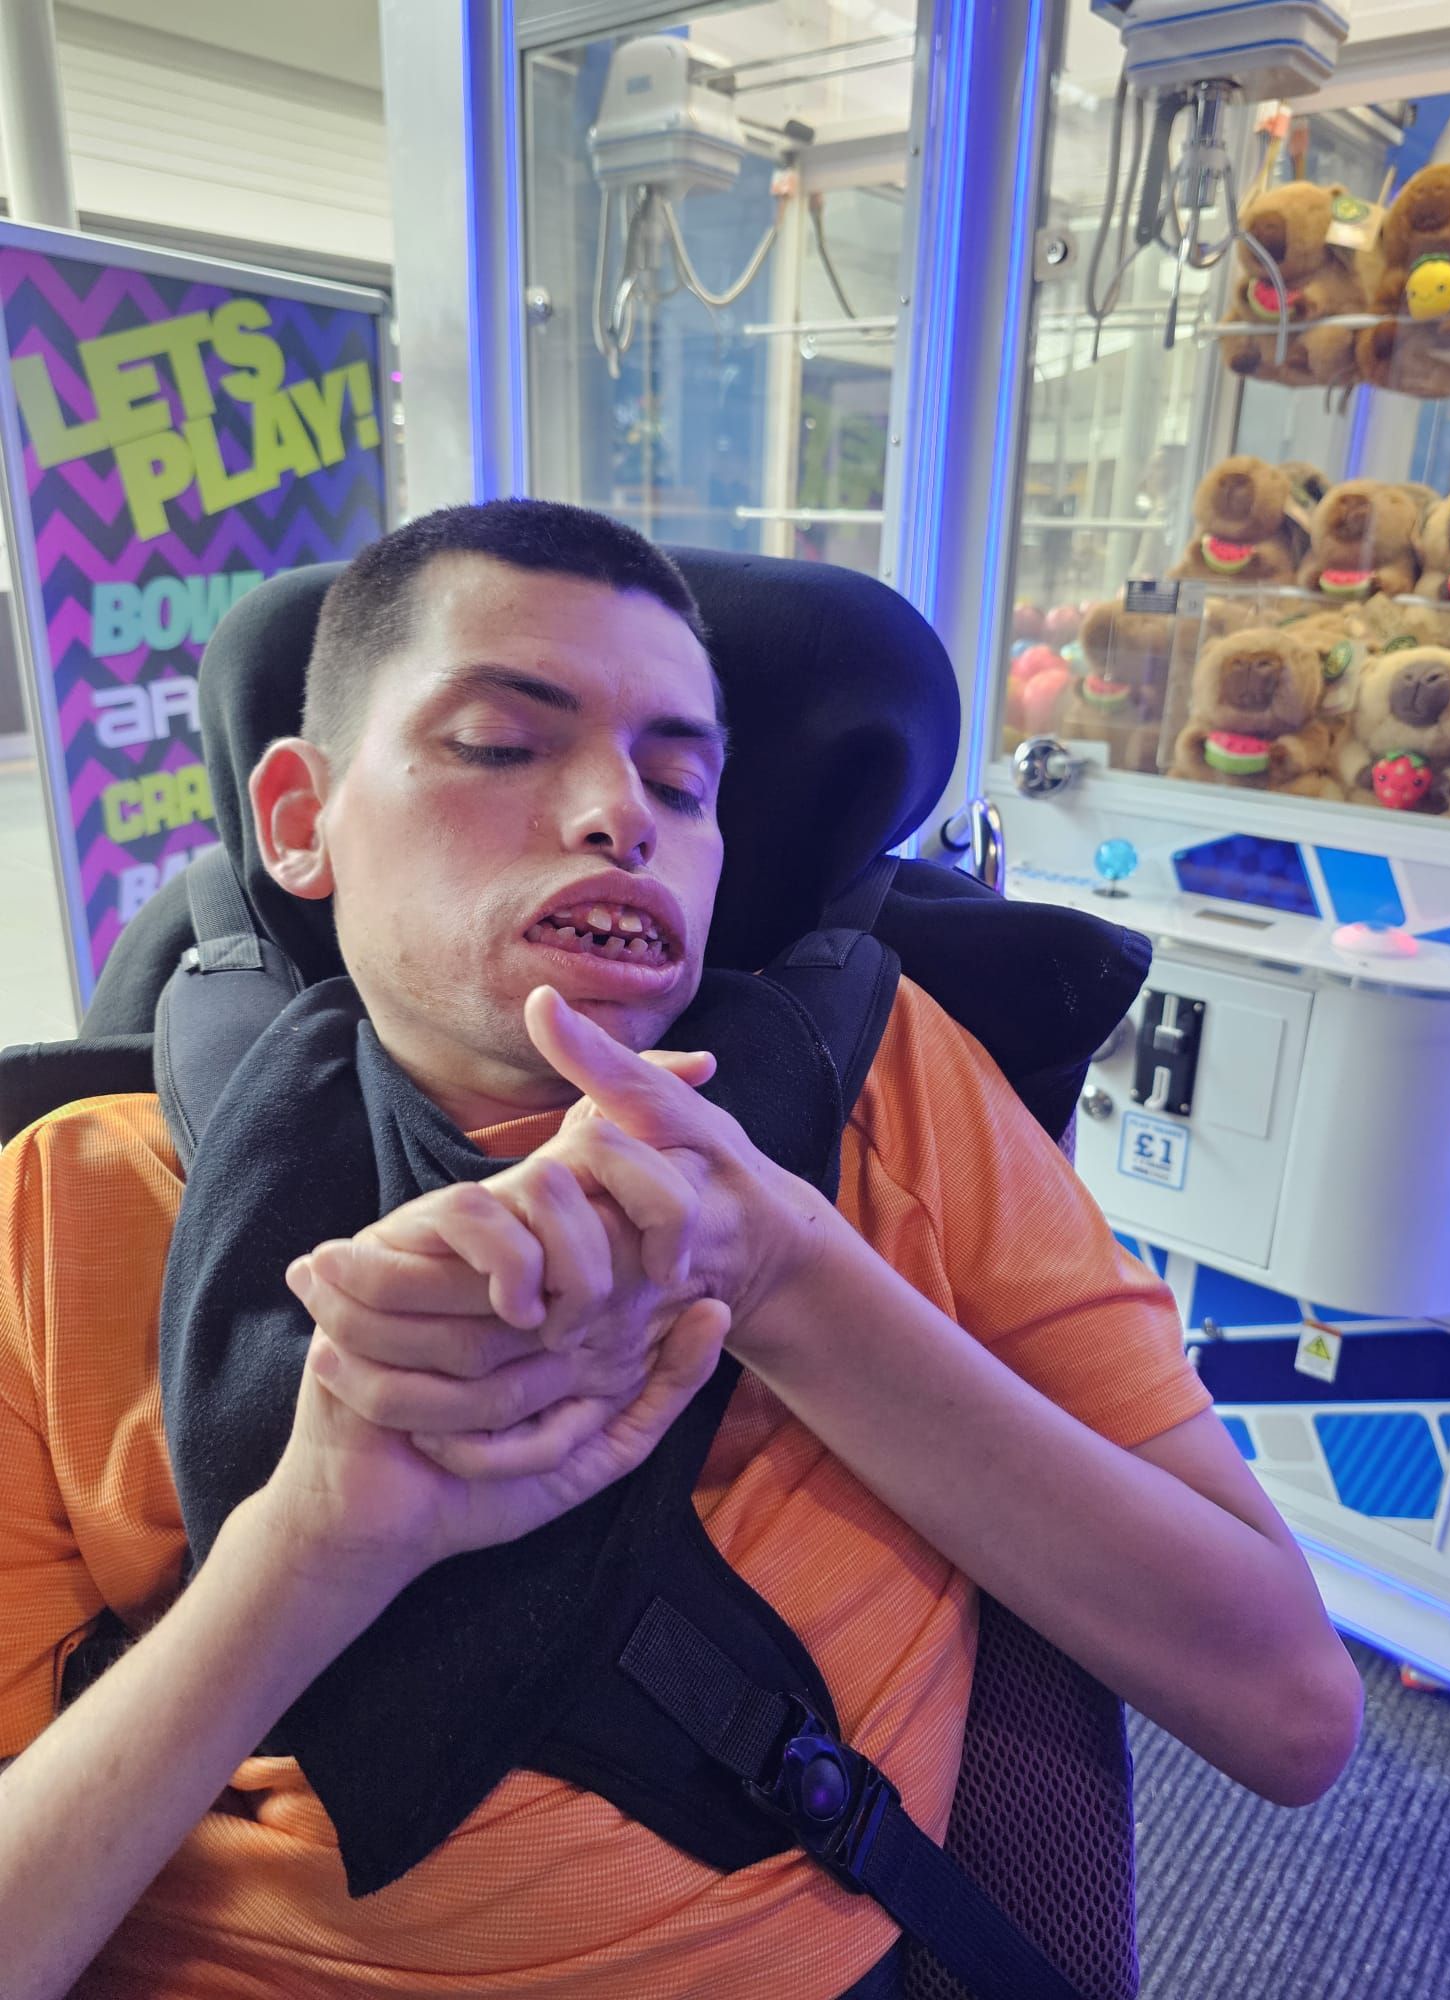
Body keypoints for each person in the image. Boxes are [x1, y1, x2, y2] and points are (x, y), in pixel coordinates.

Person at [0, 500, 1362, 2000]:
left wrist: (785, 1274)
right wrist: (314, 1547)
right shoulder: (63, 1209)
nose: (619, 816)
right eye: (502, 747)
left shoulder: (886, 1101)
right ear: (301, 818)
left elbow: (1290, 1713)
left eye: (681, 780)